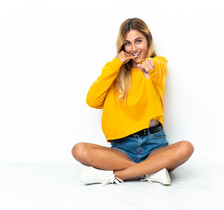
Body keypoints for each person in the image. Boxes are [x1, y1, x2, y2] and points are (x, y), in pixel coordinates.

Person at [71, 18, 194, 186]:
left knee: (186, 147)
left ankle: (113, 176)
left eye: (138, 41)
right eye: (128, 43)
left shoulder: (157, 65)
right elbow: (92, 100)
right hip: (122, 149)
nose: (134, 48)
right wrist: (116, 64)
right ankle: (151, 171)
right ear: (122, 47)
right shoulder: (115, 73)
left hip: (154, 145)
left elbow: (158, 67)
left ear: (148, 40)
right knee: (79, 150)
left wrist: (150, 64)